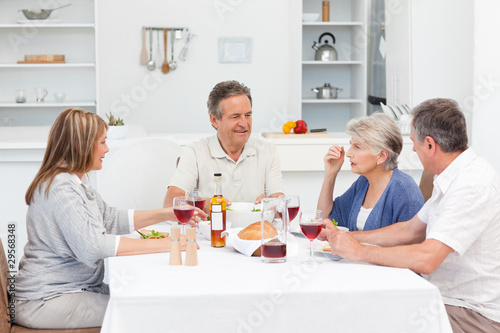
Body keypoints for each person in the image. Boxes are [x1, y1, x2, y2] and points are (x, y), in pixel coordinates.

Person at [13, 108, 205, 329]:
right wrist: (166, 244)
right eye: (102, 142)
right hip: (45, 300)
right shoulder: (60, 187)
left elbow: (111, 219)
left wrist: (165, 214)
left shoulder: (77, 181)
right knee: (145, 311)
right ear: (80, 146)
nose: (107, 149)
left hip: (72, 290)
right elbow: (94, 246)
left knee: (144, 297)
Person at [320, 98, 500, 332]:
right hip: (441, 299)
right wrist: (349, 238)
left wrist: (359, 250)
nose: (412, 149)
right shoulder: (450, 178)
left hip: (468, 313)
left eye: (414, 142)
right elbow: (411, 230)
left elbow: (427, 258)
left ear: (430, 144)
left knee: (363, 318)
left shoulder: (471, 185)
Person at [164, 80, 284, 208]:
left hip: (254, 227)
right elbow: (170, 203)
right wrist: (205, 205)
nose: (244, 123)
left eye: (248, 115)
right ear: (214, 120)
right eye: (235, 116)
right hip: (212, 228)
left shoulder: (267, 150)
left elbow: (279, 203)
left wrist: (272, 204)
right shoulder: (195, 151)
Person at [317, 112, 424, 231]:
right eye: (351, 145)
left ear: (382, 155)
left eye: (357, 147)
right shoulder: (363, 183)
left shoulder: (404, 190)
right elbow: (325, 219)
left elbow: (411, 244)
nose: (348, 154)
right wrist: (330, 175)